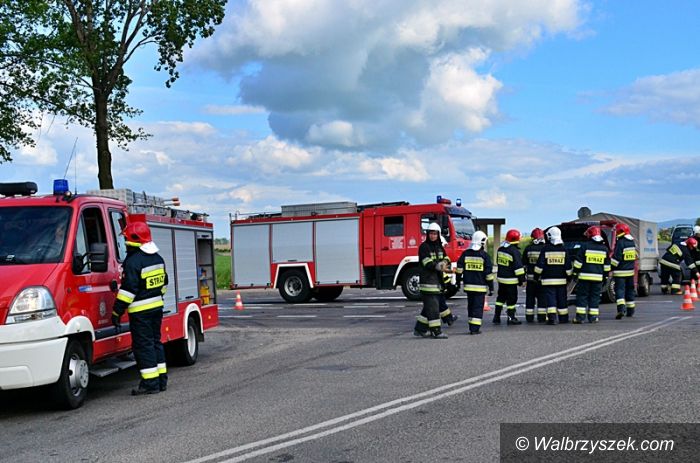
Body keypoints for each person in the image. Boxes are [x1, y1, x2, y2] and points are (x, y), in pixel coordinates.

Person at [112, 221, 169, 395]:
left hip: (140, 312)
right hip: (157, 308)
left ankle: (150, 384)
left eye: (126, 239)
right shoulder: (158, 259)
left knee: (144, 346)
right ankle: (161, 381)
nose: (125, 243)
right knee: (156, 343)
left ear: (133, 240)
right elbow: (164, 284)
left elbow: (128, 291)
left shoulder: (133, 262)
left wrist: (116, 311)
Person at [413, 222, 451, 339]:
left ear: (438, 235)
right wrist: (439, 266)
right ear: (427, 234)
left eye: (435, 234)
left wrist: (445, 262)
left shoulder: (439, 247)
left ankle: (420, 329)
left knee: (429, 307)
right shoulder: (424, 247)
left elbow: (446, 257)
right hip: (428, 282)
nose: (433, 236)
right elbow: (427, 263)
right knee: (433, 308)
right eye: (431, 233)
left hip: (437, 282)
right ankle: (436, 331)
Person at [456, 230, 494, 334]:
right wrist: (491, 288)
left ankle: (471, 325)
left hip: (468, 287)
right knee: (478, 308)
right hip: (480, 288)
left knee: (471, 306)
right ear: (482, 242)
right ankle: (475, 328)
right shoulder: (484, 256)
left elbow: (459, 270)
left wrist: (458, 283)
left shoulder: (465, 254)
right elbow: (488, 274)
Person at [533, 227, 573, 324]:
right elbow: (568, 267)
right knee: (562, 299)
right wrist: (569, 277)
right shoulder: (564, 249)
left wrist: (536, 276)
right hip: (561, 281)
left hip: (548, 281)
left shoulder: (545, 249)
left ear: (550, 236)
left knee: (551, 299)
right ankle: (563, 319)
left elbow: (540, 265)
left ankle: (552, 318)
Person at [572, 226, 611, 323]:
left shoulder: (584, 246)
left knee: (582, 297)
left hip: (584, 278)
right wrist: (605, 277)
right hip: (598, 279)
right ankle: (593, 317)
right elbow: (607, 266)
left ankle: (580, 318)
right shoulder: (604, 249)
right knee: (595, 297)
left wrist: (575, 273)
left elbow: (578, 263)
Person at [494, 229, 526, 325]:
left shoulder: (500, 249)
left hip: (501, 279)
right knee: (511, 300)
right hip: (511, 280)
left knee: (500, 298)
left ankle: (496, 317)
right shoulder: (515, 251)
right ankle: (511, 318)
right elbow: (518, 268)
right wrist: (522, 280)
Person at [610, 223, 637, 318]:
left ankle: (621, 310)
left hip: (620, 272)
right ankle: (631, 311)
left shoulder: (620, 242)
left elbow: (616, 259)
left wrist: (610, 267)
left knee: (620, 291)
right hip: (630, 272)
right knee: (630, 291)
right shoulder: (632, 242)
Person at [522, 228, 546, 322]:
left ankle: (529, 317)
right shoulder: (545, 248)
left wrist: (523, 278)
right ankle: (542, 317)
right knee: (542, 298)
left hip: (531, 279)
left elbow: (524, 264)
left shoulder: (528, 248)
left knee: (530, 298)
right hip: (542, 279)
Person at [438, 235, 459, 327]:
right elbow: (440, 269)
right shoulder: (437, 254)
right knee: (439, 302)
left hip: (441, 282)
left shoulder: (438, 254)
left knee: (440, 302)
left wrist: (451, 271)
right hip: (438, 283)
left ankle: (448, 318)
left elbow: (441, 269)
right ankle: (448, 319)